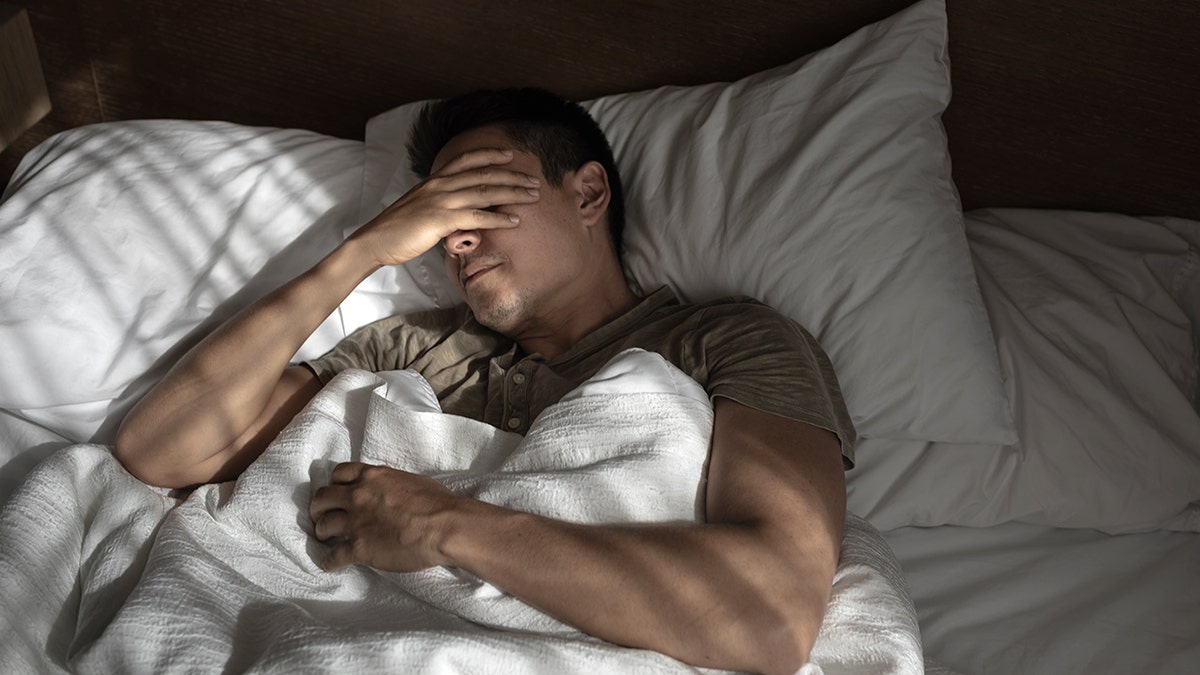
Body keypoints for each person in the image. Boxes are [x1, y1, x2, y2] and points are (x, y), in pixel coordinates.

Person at [114, 88, 855, 675]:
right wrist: (363, 251)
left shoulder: (727, 341)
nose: (454, 236)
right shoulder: (412, 349)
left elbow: (774, 615)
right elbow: (160, 451)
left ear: (589, 194)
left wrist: (444, 526)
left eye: (478, 194)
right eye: (436, 215)